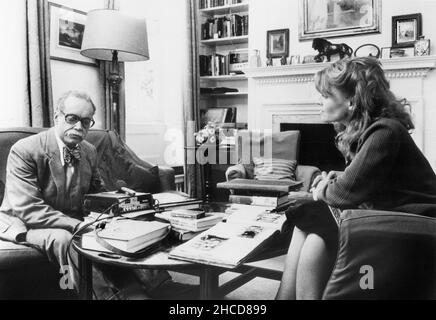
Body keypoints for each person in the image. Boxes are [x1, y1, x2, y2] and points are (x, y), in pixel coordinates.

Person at [0, 90, 191, 299]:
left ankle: (159, 286)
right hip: (26, 223)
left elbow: (97, 193)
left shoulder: (88, 151)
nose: (78, 127)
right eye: (72, 119)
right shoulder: (25, 150)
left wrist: (118, 197)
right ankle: (107, 297)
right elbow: (28, 208)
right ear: (57, 117)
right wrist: (77, 225)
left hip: (72, 219)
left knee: (122, 224)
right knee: (65, 238)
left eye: (85, 121)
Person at [276, 57, 436, 300]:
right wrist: (336, 181)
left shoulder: (385, 131)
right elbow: (363, 182)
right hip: (391, 216)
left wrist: (322, 189)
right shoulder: (373, 131)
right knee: (308, 222)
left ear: (351, 100)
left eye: (326, 95)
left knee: (313, 219)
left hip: (415, 224)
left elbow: (343, 194)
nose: (318, 100)